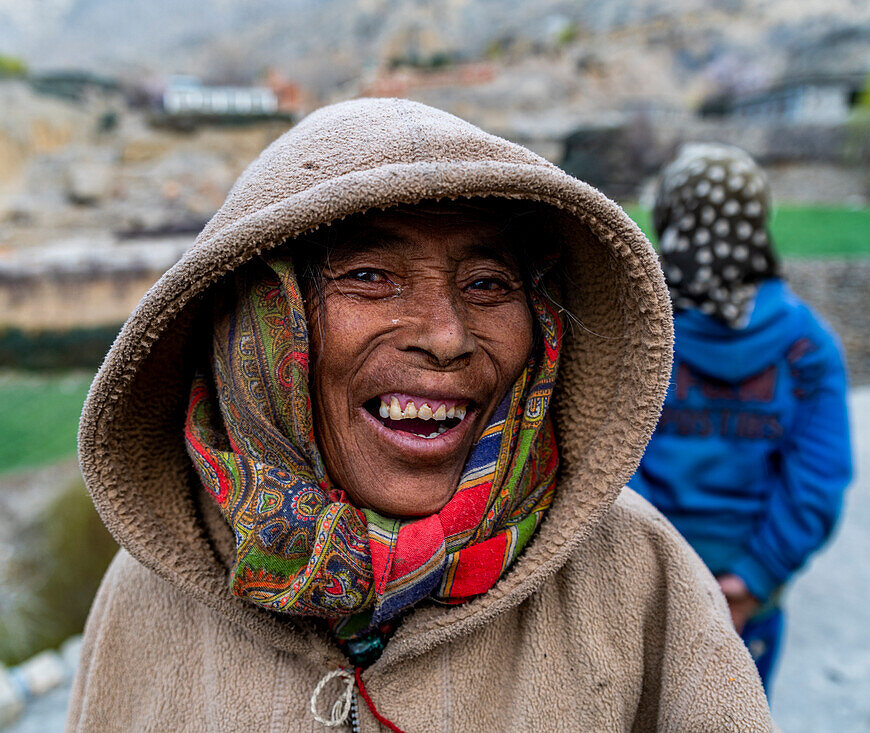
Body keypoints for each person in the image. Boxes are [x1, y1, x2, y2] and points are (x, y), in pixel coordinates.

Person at [67, 100, 774, 731]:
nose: (445, 335)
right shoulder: (153, 591)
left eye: (488, 283)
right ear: (263, 323)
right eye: (370, 276)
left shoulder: (637, 575)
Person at [630, 143, 854, 694]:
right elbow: (818, 479)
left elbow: (608, 458)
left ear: (669, 219)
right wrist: (755, 580)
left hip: (641, 582)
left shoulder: (637, 332)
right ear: (757, 223)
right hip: (746, 592)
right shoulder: (809, 344)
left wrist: (653, 578)